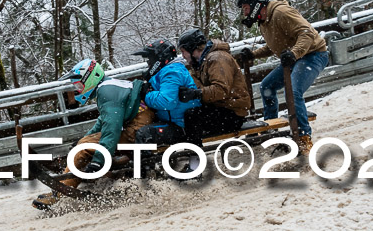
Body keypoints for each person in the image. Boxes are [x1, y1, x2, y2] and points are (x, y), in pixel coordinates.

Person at [32, 58, 155, 210]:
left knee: (83, 148)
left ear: (90, 78)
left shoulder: (106, 92)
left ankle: (60, 194)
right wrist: (84, 139)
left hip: (137, 129)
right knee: (84, 143)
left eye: (78, 84)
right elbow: (103, 122)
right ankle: (76, 180)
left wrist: (98, 159)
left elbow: (112, 129)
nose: (77, 89)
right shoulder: (109, 86)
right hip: (140, 125)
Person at [237, 0, 328, 155]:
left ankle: (303, 138)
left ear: (256, 4)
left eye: (246, 8)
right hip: (295, 58)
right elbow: (275, 44)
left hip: (313, 54)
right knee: (267, 87)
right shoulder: (264, 22)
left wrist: (294, 53)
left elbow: (306, 33)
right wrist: (253, 54)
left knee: (293, 92)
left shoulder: (281, 13)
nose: (245, 13)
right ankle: (272, 128)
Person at [176, 29, 252, 166]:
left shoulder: (217, 59)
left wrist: (196, 93)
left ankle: (195, 165)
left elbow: (221, 90)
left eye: (183, 51)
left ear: (192, 49)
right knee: (186, 113)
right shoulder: (201, 62)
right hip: (221, 107)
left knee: (192, 116)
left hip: (233, 112)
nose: (183, 56)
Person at [132, 38, 202, 146]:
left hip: (181, 126)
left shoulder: (172, 72)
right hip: (172, 121)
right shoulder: (165, 71)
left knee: (144, 134)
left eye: (150, 59)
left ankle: (145, 163)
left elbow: (166, 102)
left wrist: (146, 94)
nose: (148, 63)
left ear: (159, 58)